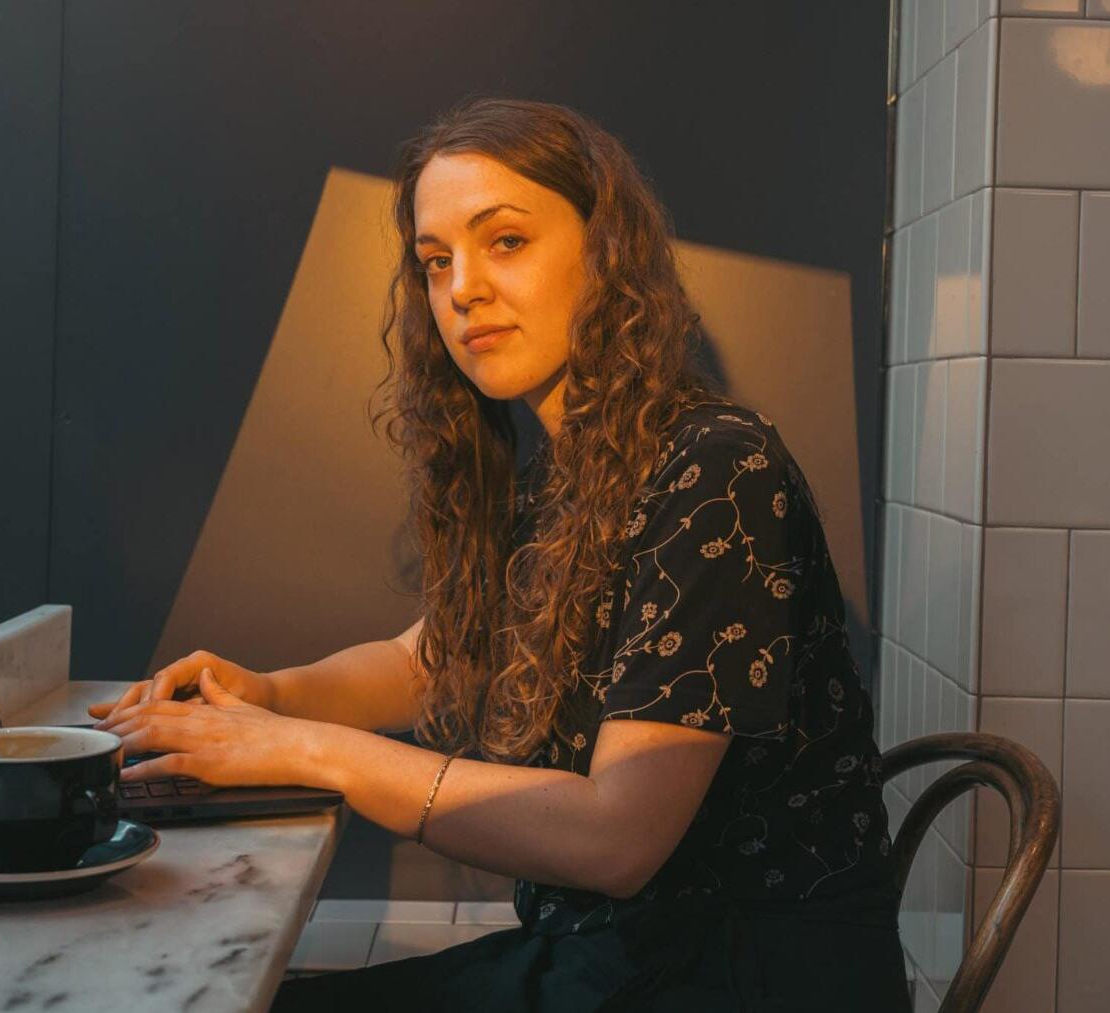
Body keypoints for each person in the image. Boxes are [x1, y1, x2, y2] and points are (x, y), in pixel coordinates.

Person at [87, 95, 909, 1012]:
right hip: (619, 959)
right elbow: (435, 655)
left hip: (746, 976)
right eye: (436, 263)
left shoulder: (718, 468)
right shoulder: (564, 469)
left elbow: (616, 840)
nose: (462, 290)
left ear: (606, 250)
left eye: (504, 241)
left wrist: (305, 748)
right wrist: (271, 693)